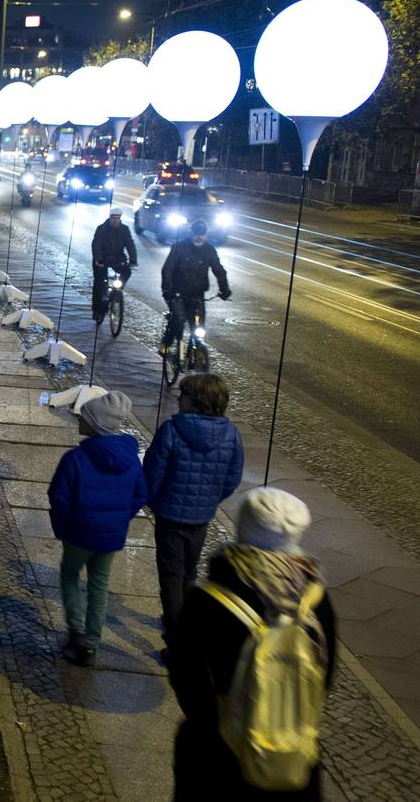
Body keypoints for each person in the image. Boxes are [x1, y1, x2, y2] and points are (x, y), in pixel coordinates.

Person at [169, 488, 336, 800]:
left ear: (242, 527)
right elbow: (324, 680)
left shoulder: (207, 601)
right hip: (292, 766)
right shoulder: (318, 603)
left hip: (216, 763)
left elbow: (186, 683)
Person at [144, 373, 244, 656]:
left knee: (171, 577)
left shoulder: (172, 431)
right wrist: (210, 500)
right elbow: (232, 477)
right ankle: (189, 625)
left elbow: (152, 473)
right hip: (201, 518)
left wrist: (152, 500)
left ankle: (178, 644)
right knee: (189, 573)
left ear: (197, 402)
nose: (177, 400)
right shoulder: (231, 434)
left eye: (182, 396)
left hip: (170, 517)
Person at [46, 392, 148, 667]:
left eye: (84, 416)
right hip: (110, 536)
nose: (79, 419)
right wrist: (119, 519)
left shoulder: (75, 458)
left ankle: (76, 631)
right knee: (99, 586)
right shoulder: (130, 458)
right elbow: (140, 495)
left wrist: (62, 529)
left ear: (96, 424)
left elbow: (59, 497)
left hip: (78, 533)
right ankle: (91, 645)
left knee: (69, 575)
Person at [160, 218, 230, 354]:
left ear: (206, 235)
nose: (199, 237)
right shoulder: (178, 248)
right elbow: (167, 269)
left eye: (202, 234)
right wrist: (168, 289)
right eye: (196, 233)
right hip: (177, 293)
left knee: (198, 326)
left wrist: (224, 289)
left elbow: (219, 270)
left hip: (197, 295)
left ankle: (195, 351)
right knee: (178, 320)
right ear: (191, 233)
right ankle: (167, 344)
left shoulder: (209, 250)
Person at [91, 206, 139, 321]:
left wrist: (133, 259)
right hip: (102, 260)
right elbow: (96, 245)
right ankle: (97, 310)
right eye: (113, 218)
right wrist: (98, 259)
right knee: (99, 284)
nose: (115, 221)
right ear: (110, 218)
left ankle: (117, 293)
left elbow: (130, 245)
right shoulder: (102, 229)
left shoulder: (124, 229)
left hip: (118, 258)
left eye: (117, 219)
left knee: (127, 271)